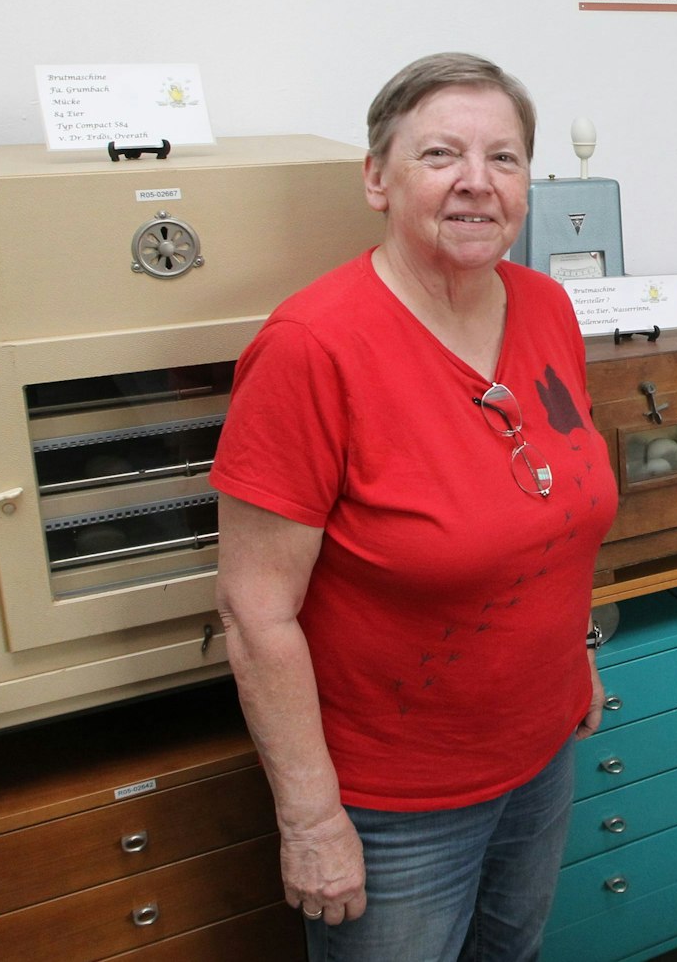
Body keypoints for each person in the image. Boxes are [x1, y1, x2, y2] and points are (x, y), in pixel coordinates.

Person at [211, 52, 618, 961]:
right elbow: (255, 609)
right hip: (397, 802)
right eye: (441, 155)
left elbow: (558, 506)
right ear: (377, 179)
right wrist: (311, 817)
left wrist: (573, 652)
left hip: (540, 751)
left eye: (504, 159)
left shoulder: (547, 307)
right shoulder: (313, 349)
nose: (477, 183)